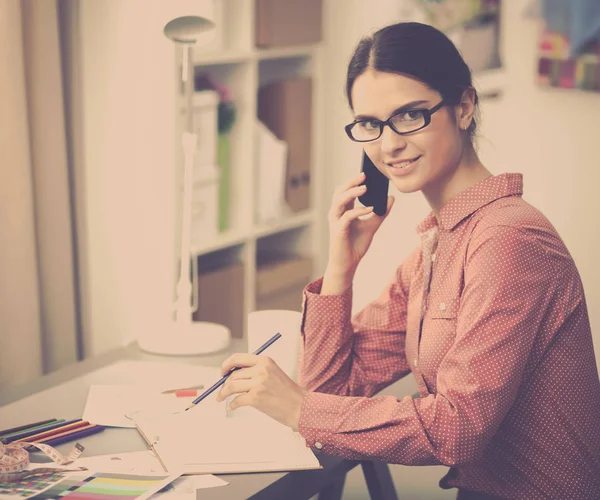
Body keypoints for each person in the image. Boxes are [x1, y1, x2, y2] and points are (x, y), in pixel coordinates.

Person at [215, 22, 600, 499]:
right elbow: (333, 393)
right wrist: (341, 271)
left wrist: (298, 407)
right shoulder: (436, 247)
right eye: (371, 124)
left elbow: (457, 429)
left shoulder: (508, 241)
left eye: (410, 115)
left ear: (463, 107)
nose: (388, 144)